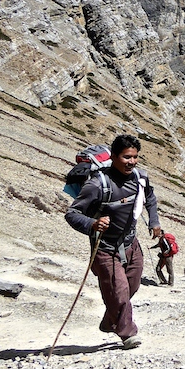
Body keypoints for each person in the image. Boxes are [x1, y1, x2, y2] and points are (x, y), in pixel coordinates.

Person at [65, 134, 160, 350]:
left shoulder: (140, 178)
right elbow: (72, 214)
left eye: (135, 157)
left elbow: (150, 199)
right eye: (126, 157)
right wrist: (92, 223)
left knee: (132, 286)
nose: (132, 162)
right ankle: (128, 333)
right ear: (114, 157)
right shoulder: (97, 185)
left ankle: (110, 320)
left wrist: (154, 222)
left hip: (130, 243)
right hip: (105, 248)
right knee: (119, 291)